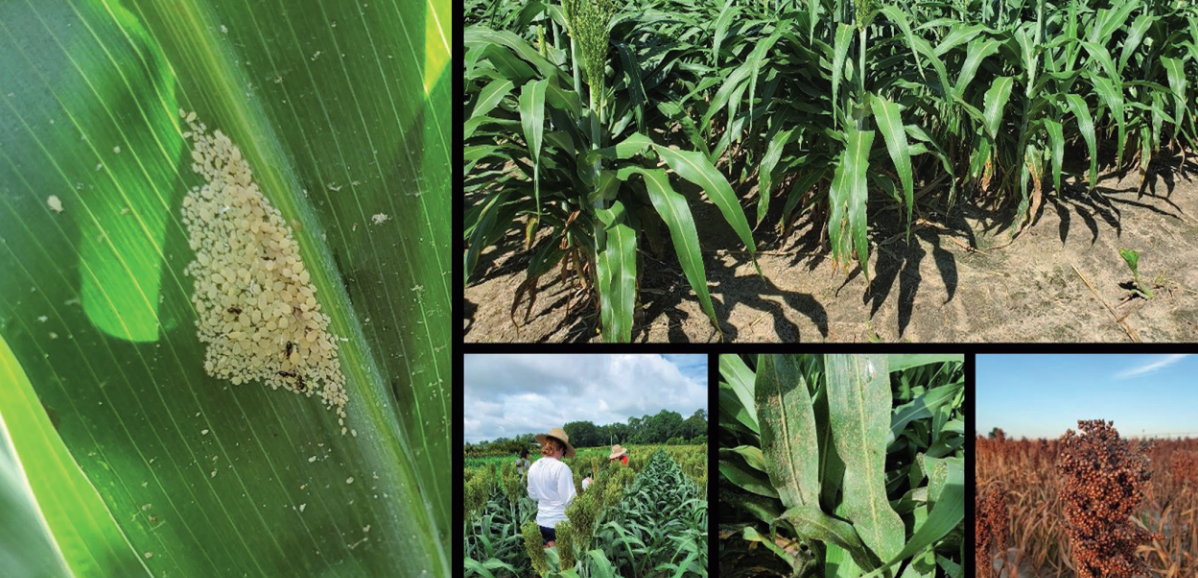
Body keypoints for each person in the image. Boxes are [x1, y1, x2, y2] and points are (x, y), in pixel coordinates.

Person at [527, 427, 576, 547]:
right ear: (560, 449)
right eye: (564, 453)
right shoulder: (561, 468)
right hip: (559, 524)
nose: (562, 456)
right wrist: (584, 485)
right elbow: (569, 500)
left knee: (548, 561)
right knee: (564, 562)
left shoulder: (533, 467)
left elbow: (532, 495)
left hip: (542, 522)